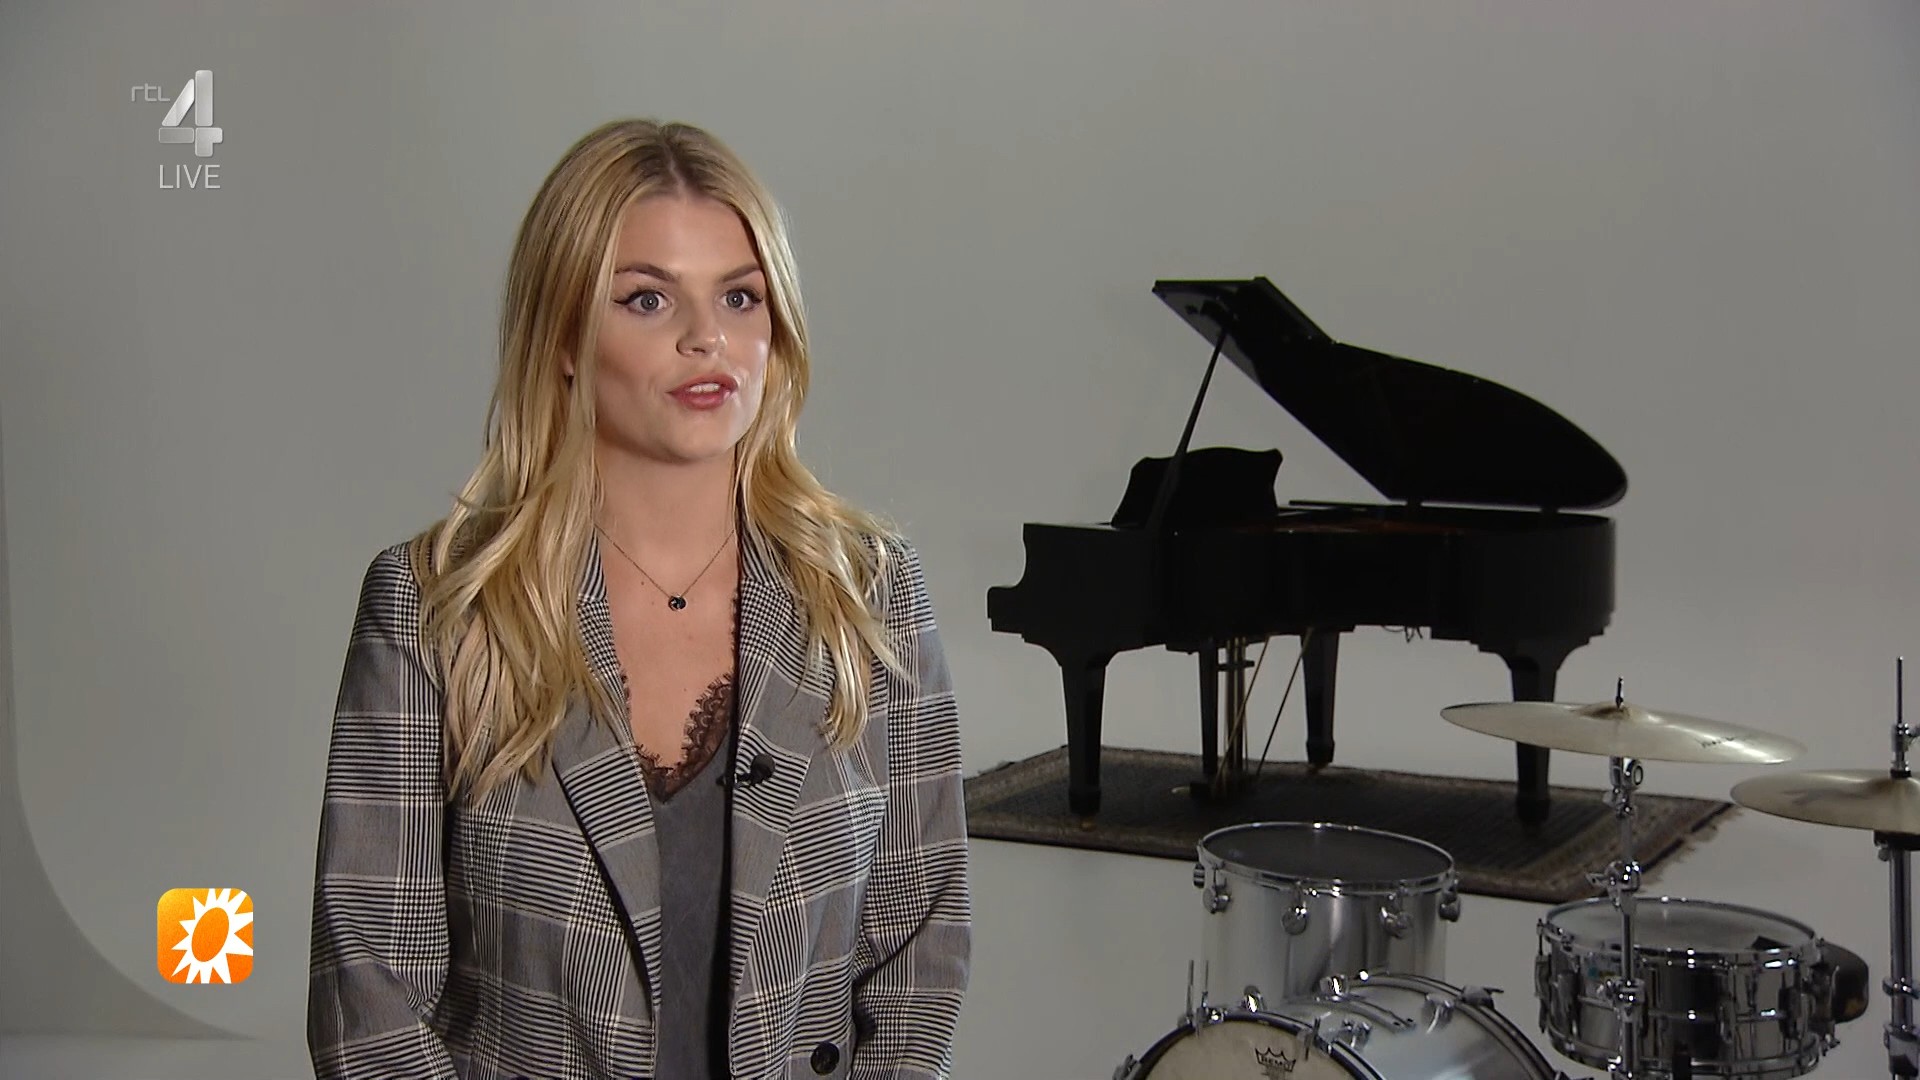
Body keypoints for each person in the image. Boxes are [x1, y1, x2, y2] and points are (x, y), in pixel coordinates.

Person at [306, 118, 971, 1080]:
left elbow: (922, 950)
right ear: (564, 338)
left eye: (740, 296)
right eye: (647, 299)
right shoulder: (436, 606)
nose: (708, 338)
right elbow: (369, 997)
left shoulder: (868, 590)